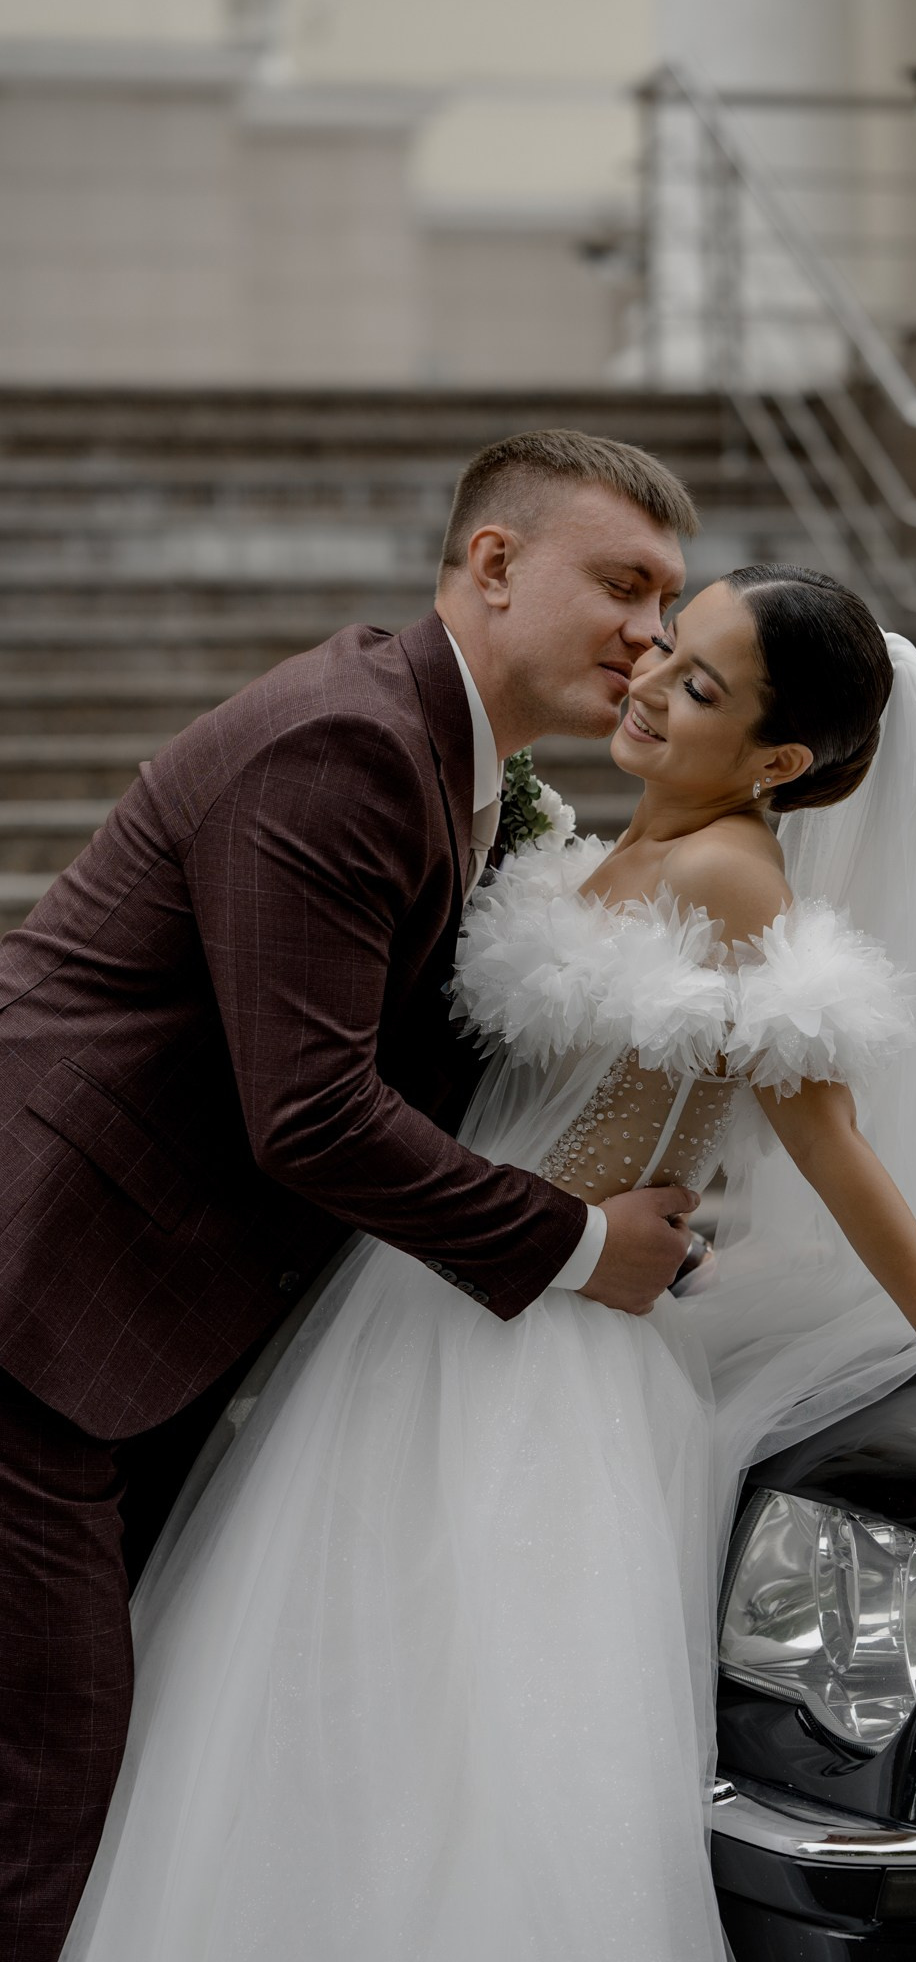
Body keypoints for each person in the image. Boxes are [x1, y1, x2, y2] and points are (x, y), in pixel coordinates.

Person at [58, 565, 916, 1961]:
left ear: (777, 762)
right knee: (334, 1681)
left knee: (490, 1725)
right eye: (667, 648)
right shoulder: (600, 847)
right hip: (422, 1304)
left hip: (549, 1356)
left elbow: (830, 1141)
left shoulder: (731, 878)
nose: (645, 682)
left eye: (698, 686)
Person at [0, 429, 709, 1962]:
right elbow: (312, 1113)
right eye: (623, 585)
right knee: (50, 1796)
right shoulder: (346, 744)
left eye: (670, 601)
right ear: (495, 564)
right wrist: (582, 1245)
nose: (652, 635)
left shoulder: (473, 771)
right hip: (38, 1308)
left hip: (129, 1323)